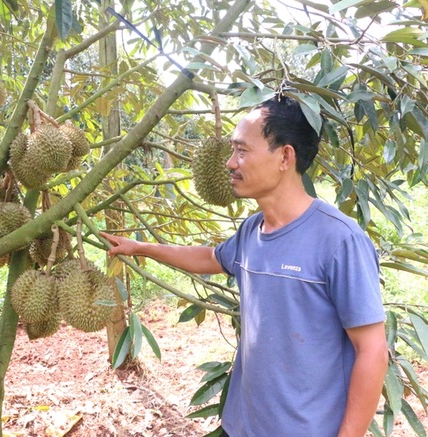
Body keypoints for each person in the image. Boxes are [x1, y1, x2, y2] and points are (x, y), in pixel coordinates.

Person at [101, 96, 388, 437]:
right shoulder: (253, 230)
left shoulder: (340, 240)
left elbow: (372, 350)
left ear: (285, 156)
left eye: (241, 151)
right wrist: (143, 248)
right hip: (245, 425)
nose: (229, 163)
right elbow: (211, 258)